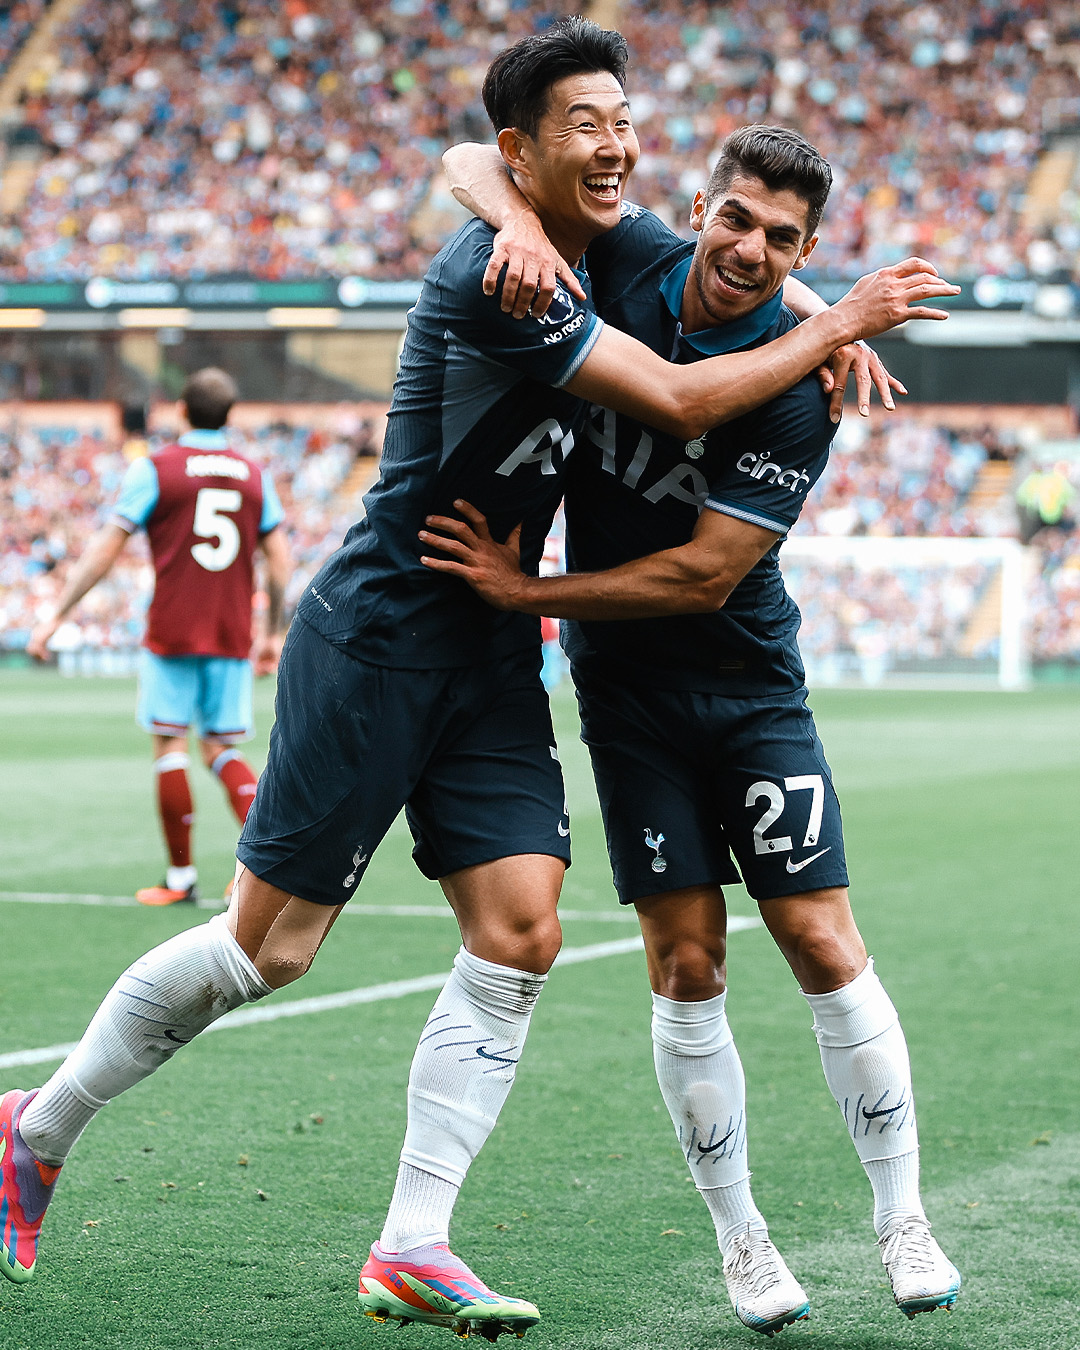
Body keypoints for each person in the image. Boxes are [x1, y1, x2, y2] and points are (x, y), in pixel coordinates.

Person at [0, 22, 956, 1338]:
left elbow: (584, 208)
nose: (617, 141)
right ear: (530, 148)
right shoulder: (509, 276)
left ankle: (411, 1240)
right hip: (390, 626)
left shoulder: (596, 244)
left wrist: (801, 305)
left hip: (502, 647)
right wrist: (834, 315)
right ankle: (35, 1125)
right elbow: (672, 400)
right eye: (585, 123)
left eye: (627, 118)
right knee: (266, 948)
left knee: (521, 925)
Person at [427, 124, 961, 1334]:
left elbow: (703, 576)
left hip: (747, 682)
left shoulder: (807, 384)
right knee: (687, 963)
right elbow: (472, 153)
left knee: (823, 941)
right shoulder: (627, 259)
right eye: (737, 219)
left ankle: (902, 1217)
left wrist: (527, 597)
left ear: (807, 249)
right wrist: (515, 221)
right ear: (701, 208)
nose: (750, 249)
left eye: (783, 240)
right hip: (627, 699)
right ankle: (745, 1243)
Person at [26, 367, 290, 905]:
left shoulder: (157, 468)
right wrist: (274, 631)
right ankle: (265, 877)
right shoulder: (253, 475)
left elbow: (105, 548)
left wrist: (58, 614)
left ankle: (180, 879)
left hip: (172, 627)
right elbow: (281, 563)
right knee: (221, 747)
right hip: (230, 629)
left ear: (182, 411)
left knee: (171, 745)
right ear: (229, 416)